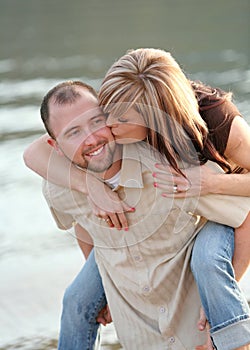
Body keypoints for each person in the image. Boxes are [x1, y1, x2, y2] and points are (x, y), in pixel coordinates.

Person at [25, 76, 250, 349]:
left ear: (110, 115)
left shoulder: (171, 158)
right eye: (74, 132)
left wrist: (220, 297)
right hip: (138, 333)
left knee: (208, 260)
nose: (92, 138)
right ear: (56, 147)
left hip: (219, 189)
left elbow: (243, 213)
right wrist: (105, 287)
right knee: (77, 301)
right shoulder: (59, 185)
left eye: (97, 122)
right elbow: (80, 221)